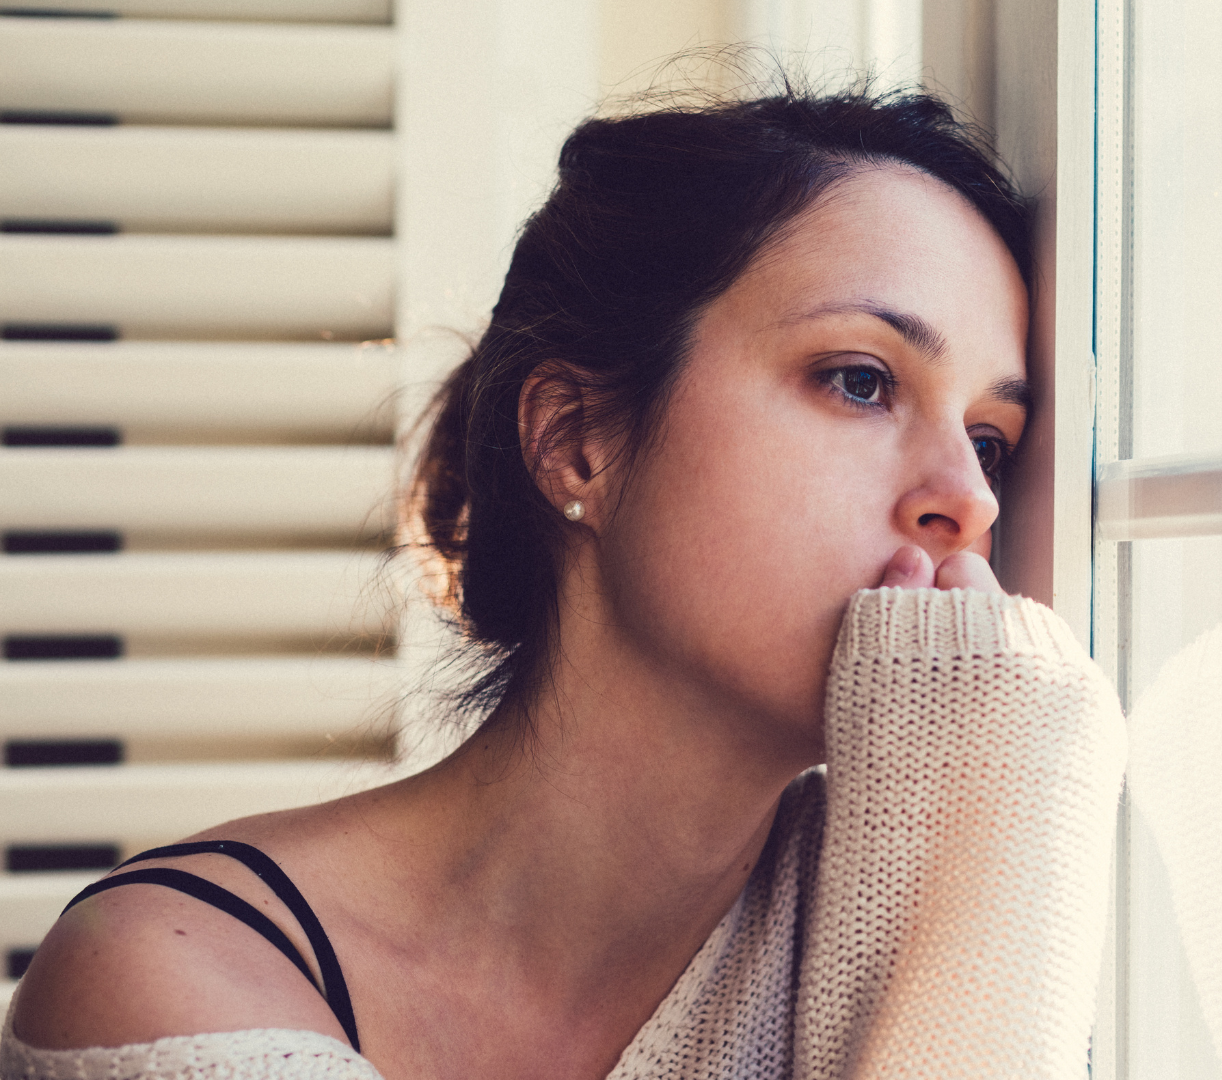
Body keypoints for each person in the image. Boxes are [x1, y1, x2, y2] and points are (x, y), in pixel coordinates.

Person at [2, 83, 1126, 1080]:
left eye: (990, 439)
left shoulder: (943, 868)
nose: (967, 501)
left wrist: (1011, 836)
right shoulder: (176, 981)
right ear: (577, 439)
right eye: (859, 380)